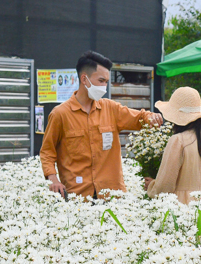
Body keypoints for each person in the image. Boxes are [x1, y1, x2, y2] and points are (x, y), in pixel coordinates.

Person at [40, 51, 163, 198]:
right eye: (101, 81)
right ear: (84, 79)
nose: (104, 86)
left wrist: (152, 117)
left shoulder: (111, 109)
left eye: (106, 82)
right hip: (78, 197)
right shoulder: (60, 114)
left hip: (112, 196)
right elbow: (47, 152)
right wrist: (54, 180)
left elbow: (140, 118)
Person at [142, 87, 201, 205]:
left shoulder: (177, 140)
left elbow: (165, 185)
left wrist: (152, 186)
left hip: (178, 204)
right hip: (200, 203)